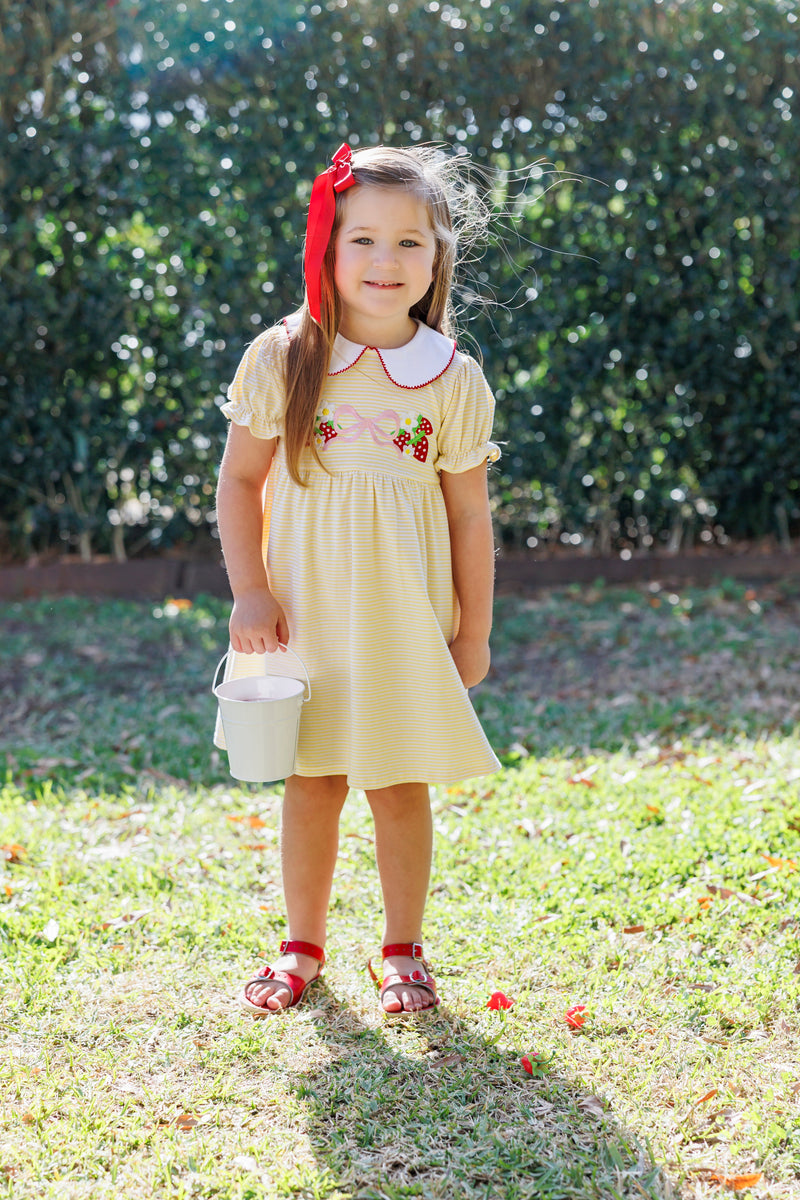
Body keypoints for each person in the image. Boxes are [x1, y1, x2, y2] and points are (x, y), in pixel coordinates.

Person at [215, 142, 501, 1017]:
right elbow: (238, 481)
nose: (386, 262)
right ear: (326, 249)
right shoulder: (285, 356)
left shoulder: (452, 380)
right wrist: (250, 590)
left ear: (439, 255)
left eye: (409, 243)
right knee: (313, 781)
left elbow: (467, 516)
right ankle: (301, 945)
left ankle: (403, 948)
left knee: (397, 780)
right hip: (305, 617)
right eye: (362, 240)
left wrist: (474, 631)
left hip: (403, 620)